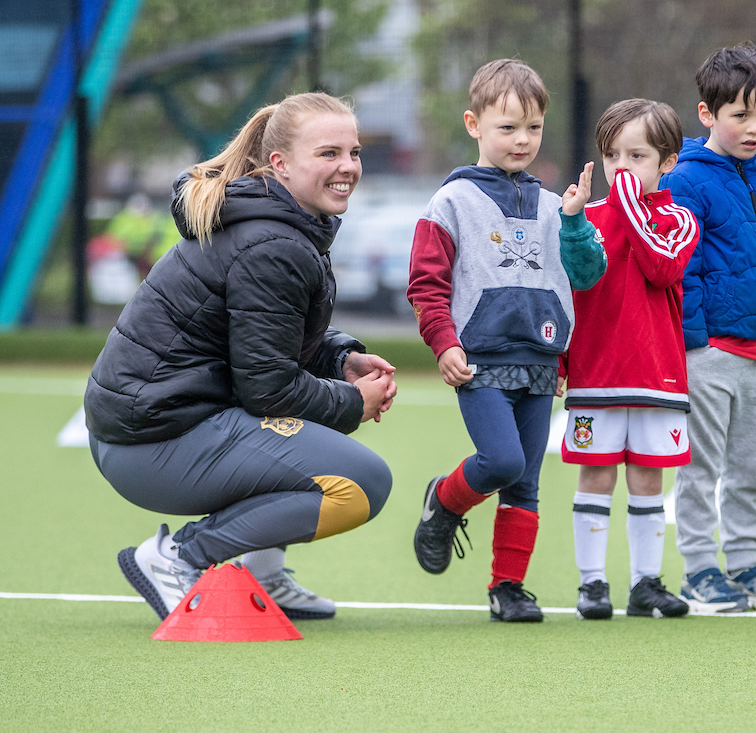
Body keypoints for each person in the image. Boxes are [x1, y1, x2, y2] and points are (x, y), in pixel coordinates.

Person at [85, 92, 397, 622]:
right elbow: (268, 389)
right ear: (279, 164)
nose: (348, 167)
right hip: (152, 441)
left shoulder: (281, 224)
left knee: (305, 442)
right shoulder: (273, 242)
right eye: (328, 153)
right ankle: (178, 557)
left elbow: (262, 341)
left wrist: (339, 358)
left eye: (354, 152)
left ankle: (261, 573)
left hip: (152, 429)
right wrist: (351, 401)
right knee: (363, 484)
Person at [407, 59, 606, 623]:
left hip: (541, 363)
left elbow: (582, 278)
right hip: (480, 361)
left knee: (527, 485)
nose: (523, 140)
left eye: (534, 127)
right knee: (502, 462)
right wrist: (443, 342)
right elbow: (427, 283)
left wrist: (574, 222)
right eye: (508, 127)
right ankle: (443, 501)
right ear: (473, 124)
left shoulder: (554, 206)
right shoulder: (450, 203)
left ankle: (508, 588)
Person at [661, 42, 756, 614]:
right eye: (741, 115)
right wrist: (694, 346)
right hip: (712, 356)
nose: (755, 128)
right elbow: (686, 269)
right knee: (701, 469)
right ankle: (700, 570)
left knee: (753, 469)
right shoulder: (686, 180)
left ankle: (745, 565)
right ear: (707, 114)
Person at [560, 99, 699, 620]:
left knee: (647, 479)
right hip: (596, 374)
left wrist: (630, 207)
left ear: (667, 162)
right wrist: (576, 220)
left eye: (637, 155)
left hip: (657, 376)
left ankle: (646, 582)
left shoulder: (679, 219)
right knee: (595, 477)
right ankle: (592, 585)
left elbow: (662, 268)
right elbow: (575, 282)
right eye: (613, 155)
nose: (622, 167)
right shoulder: (586, 218)